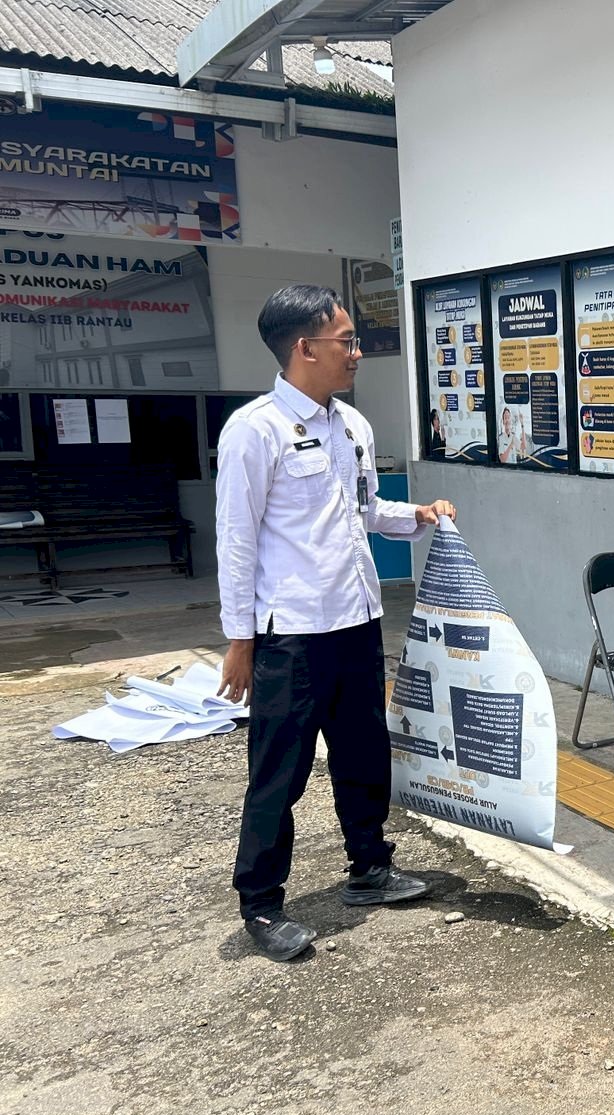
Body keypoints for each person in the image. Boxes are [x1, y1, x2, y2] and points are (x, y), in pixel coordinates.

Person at [216, 284, 457, 963]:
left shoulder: (351, 426)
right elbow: (236, 541)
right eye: (345, 340)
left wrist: (418, 515)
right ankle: (261, 906)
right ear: (304, 348)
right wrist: (241, 642)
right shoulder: (255, 431)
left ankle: (370, 868)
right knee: (279, 774)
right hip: (291, 633)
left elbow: (365, 511)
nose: (356, 352)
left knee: (363, 755)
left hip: (355, 621)